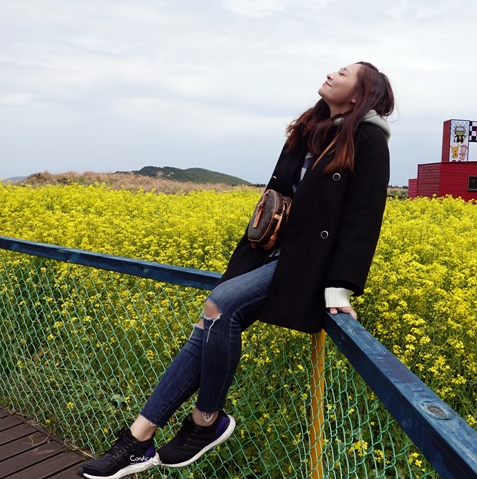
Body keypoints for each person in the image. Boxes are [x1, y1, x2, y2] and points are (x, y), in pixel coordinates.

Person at [77, 61, 394, 479]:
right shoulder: (309, 128)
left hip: (307, 266)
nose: (332, 73)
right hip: (268, 252)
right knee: (205, 329)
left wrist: (340, 286)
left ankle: (206, 421)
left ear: (359, 94)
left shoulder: (369, 140)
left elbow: (363, 218)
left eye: (344, 72)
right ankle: (138, 439)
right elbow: (278, 192)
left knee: (219, 306)